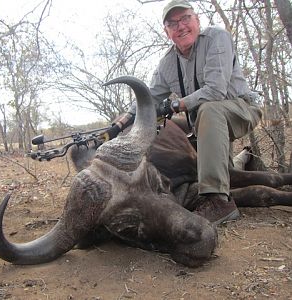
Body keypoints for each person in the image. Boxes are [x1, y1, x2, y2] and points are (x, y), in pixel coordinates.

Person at [104, 0, 262, 225]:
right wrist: (119, 124)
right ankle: (237, 171)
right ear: (166, 31)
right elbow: (147, 98)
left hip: (240, 109)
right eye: (172, 23)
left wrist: (174, 106)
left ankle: (219, 202)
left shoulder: (217, 37)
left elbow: (215, 91)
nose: (180, 26)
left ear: (197, 20)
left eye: (185, 18)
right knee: (219, 170)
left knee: (208, 109)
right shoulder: (167, 63)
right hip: (207, 125)